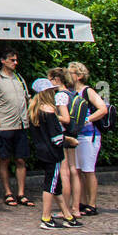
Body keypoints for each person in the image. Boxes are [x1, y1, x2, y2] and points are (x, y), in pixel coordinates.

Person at [28, 80, 81, 228]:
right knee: (50, 185)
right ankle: (46, 217)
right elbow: (56, 137)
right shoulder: (49, 111)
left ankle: (68, 216)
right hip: (53, 153)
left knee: (56, 185)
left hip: (42, 151)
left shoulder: (34, 110)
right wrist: (70, 141)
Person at [0, 46, 33, 208]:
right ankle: (7, 192)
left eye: (16, 59)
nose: (15, 62)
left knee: (21, 159)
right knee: (4, 159)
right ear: (2, 61)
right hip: (4, 124)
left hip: (21, 124)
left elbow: (27, 98)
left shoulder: (19, 78)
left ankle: (21, 193)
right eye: (12, 60)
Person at [67, 62, 108, 215]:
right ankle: (82, 202)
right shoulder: (70, 91)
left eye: (71, 73)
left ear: (79, 76)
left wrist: (86, 119)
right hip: (77, 135)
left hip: (89, 136)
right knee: (77, 170)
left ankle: (92, 204)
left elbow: (102, 109)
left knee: (88, 170)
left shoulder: (87, 91)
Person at [47, 67, 83, 222]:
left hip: (64, 135)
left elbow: (66, 118)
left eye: (49, 79)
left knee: (64, 172)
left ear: (56, 79)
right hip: (73, 134)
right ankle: (75, 207)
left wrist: (52, 115)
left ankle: (66, 209)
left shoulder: (60, 95)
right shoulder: (71, 92)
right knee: (73, 170)